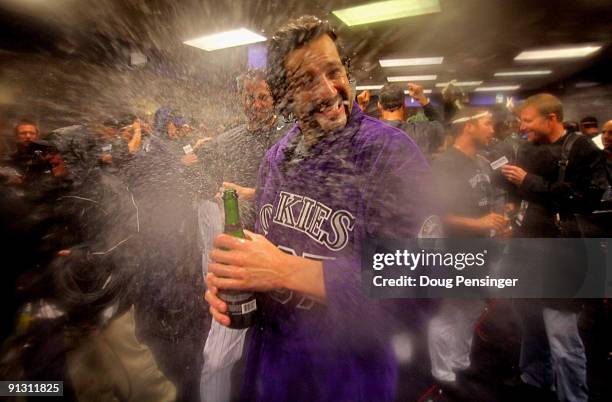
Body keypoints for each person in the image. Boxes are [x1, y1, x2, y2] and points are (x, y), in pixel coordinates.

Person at [205, 15, 430, 402]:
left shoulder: (390, 154)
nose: (329, 90)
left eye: (334, 70)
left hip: (348, 380)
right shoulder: (277, 158)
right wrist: (237, 280)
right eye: (306, 81)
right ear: (285, 95)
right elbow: (269, 254)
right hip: (273, 373)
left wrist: (284, 269)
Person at [500, 94, 608, 402]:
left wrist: (530, 182)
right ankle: (534, 377)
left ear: (551, 118)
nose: (522, 127)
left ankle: (573, 396)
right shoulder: (528, 148)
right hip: (527, 250)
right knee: (530, 322)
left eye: (528, 120)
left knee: (562, 336)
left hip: (562, 255)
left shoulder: (583, 149)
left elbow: (587, 199)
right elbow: (521, 190)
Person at [198, 69, 288, 402]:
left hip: (283, 253)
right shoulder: (226, 142)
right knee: (219, 355)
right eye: (250, 97)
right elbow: (216, 188)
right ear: (241, 99)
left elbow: (296, 194)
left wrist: (247, 192)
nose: (256, 103)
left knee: (280, 346)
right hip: (239, 250)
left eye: (263, 96)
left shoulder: (290, 138)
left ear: (274, 97)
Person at [427, 107, 507, 397]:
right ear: (469, 127)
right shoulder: (446, 165)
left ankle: (460, 362)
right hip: (453, 249)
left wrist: (496, 222)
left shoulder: (480, 162)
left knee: (472, 307)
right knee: (447, 311)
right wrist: (478, 223)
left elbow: (482, 203)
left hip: (480, 248)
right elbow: (433, 213)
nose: (492, 129)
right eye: (487, 123)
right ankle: (443, 372)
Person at [376, 83, 444, 159]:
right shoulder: (420, 131)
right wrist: (422, 99)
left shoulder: (369, 134)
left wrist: (361, 108)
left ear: (379, 105)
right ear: (404, 105)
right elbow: (440, 126)